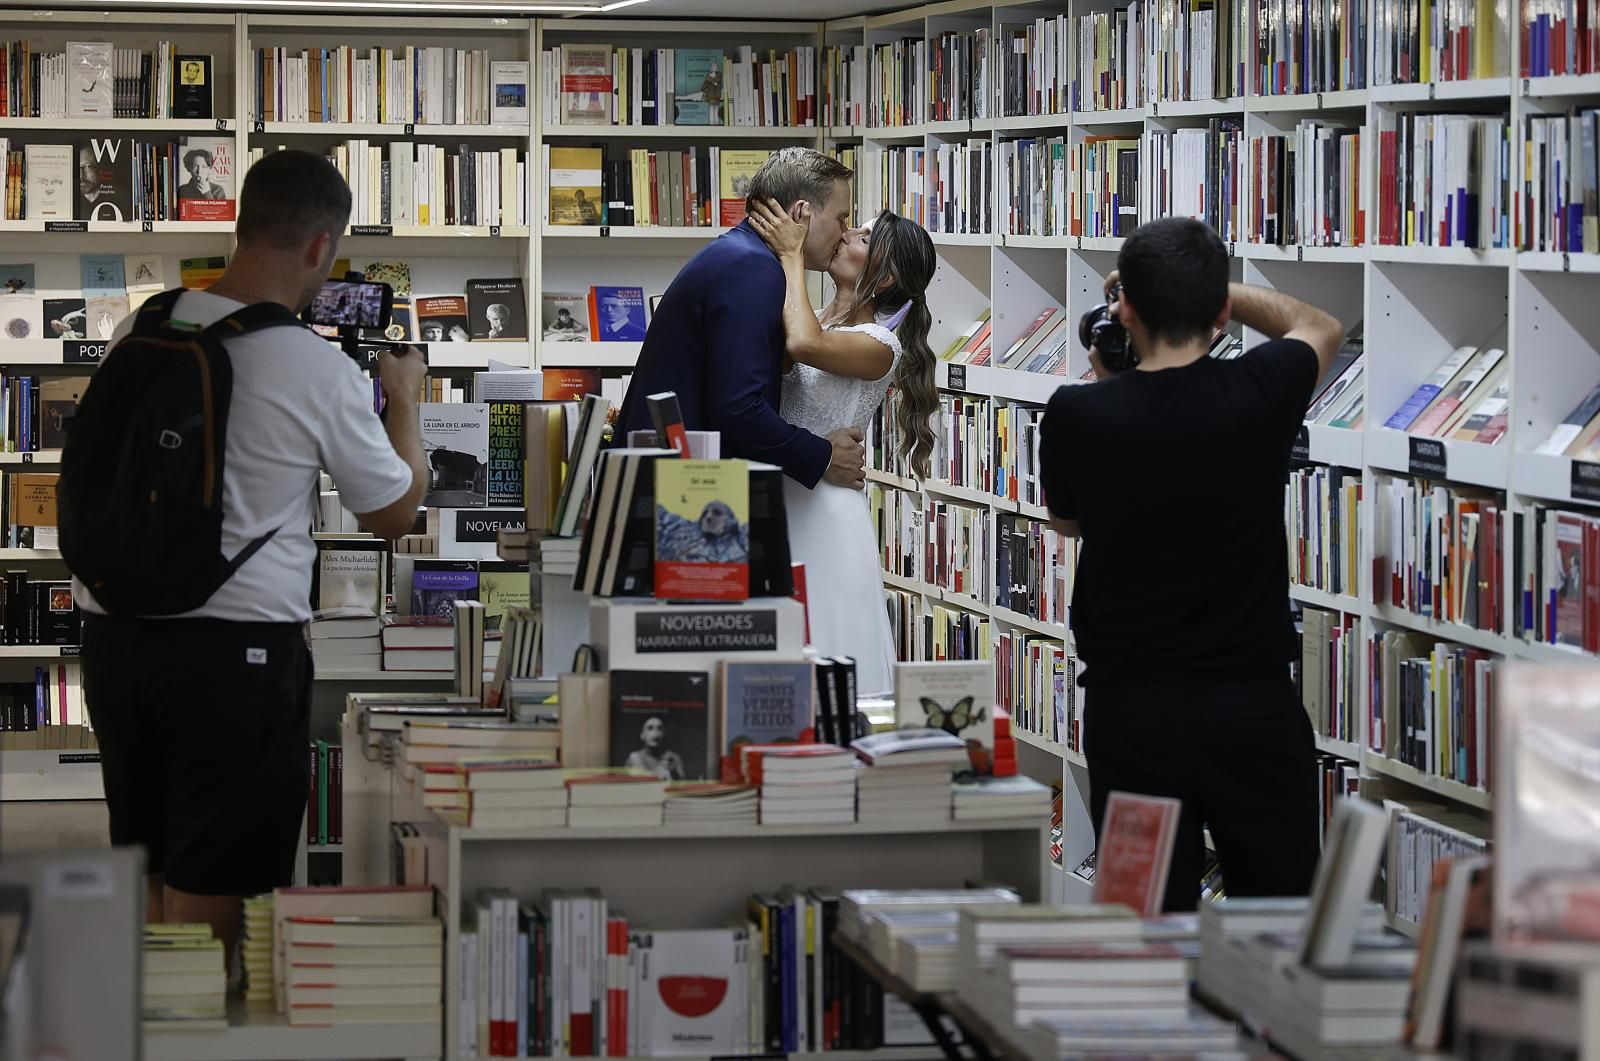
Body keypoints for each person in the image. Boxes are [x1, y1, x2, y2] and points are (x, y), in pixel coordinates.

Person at [72, 149, 430, 961]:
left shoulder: (148, 324)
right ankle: (196, 1032)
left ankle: (146, 1025)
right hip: (231, 658)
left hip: (116, 640)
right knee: (217, 885)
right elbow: (392, 512)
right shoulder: (316, 366)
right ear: (318, 249)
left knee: (148, 861)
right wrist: (403, 397)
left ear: (241, 224)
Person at [1039, 217, 1344, 912]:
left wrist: (1110, 382)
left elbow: (1067, 520)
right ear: (1222, 315)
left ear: (1126, 309)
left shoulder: (1078, 413)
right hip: (1253, 709)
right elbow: (1319, 324)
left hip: (1134, 713)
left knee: (1145, 922)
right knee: (1280, 919)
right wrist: (1216, 288)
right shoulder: (1261, 390)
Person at [746, 201, 937, 696]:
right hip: (783, 495)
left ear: (887, 277)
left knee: (829, 654)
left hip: (826, 514)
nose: (848, 234)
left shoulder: (879, 343)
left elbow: (804, 346)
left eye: (865, 238)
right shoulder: (820, 316)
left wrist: (791, 256)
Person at [615, 147, 866, 494]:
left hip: (670, 480)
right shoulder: (752, 270)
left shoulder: (742, 255)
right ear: (801, 213)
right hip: (677, 494)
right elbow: (737, 409)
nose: (844, 232)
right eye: (841, 218)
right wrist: (822, 455)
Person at [624, 716, 685, 781]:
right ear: (642, 735)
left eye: (659, 728)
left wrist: (674, 772)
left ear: (664, 734)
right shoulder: (634, 758)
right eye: (650, 728)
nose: (655, 732)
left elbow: (682, 785)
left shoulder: (673, 758)